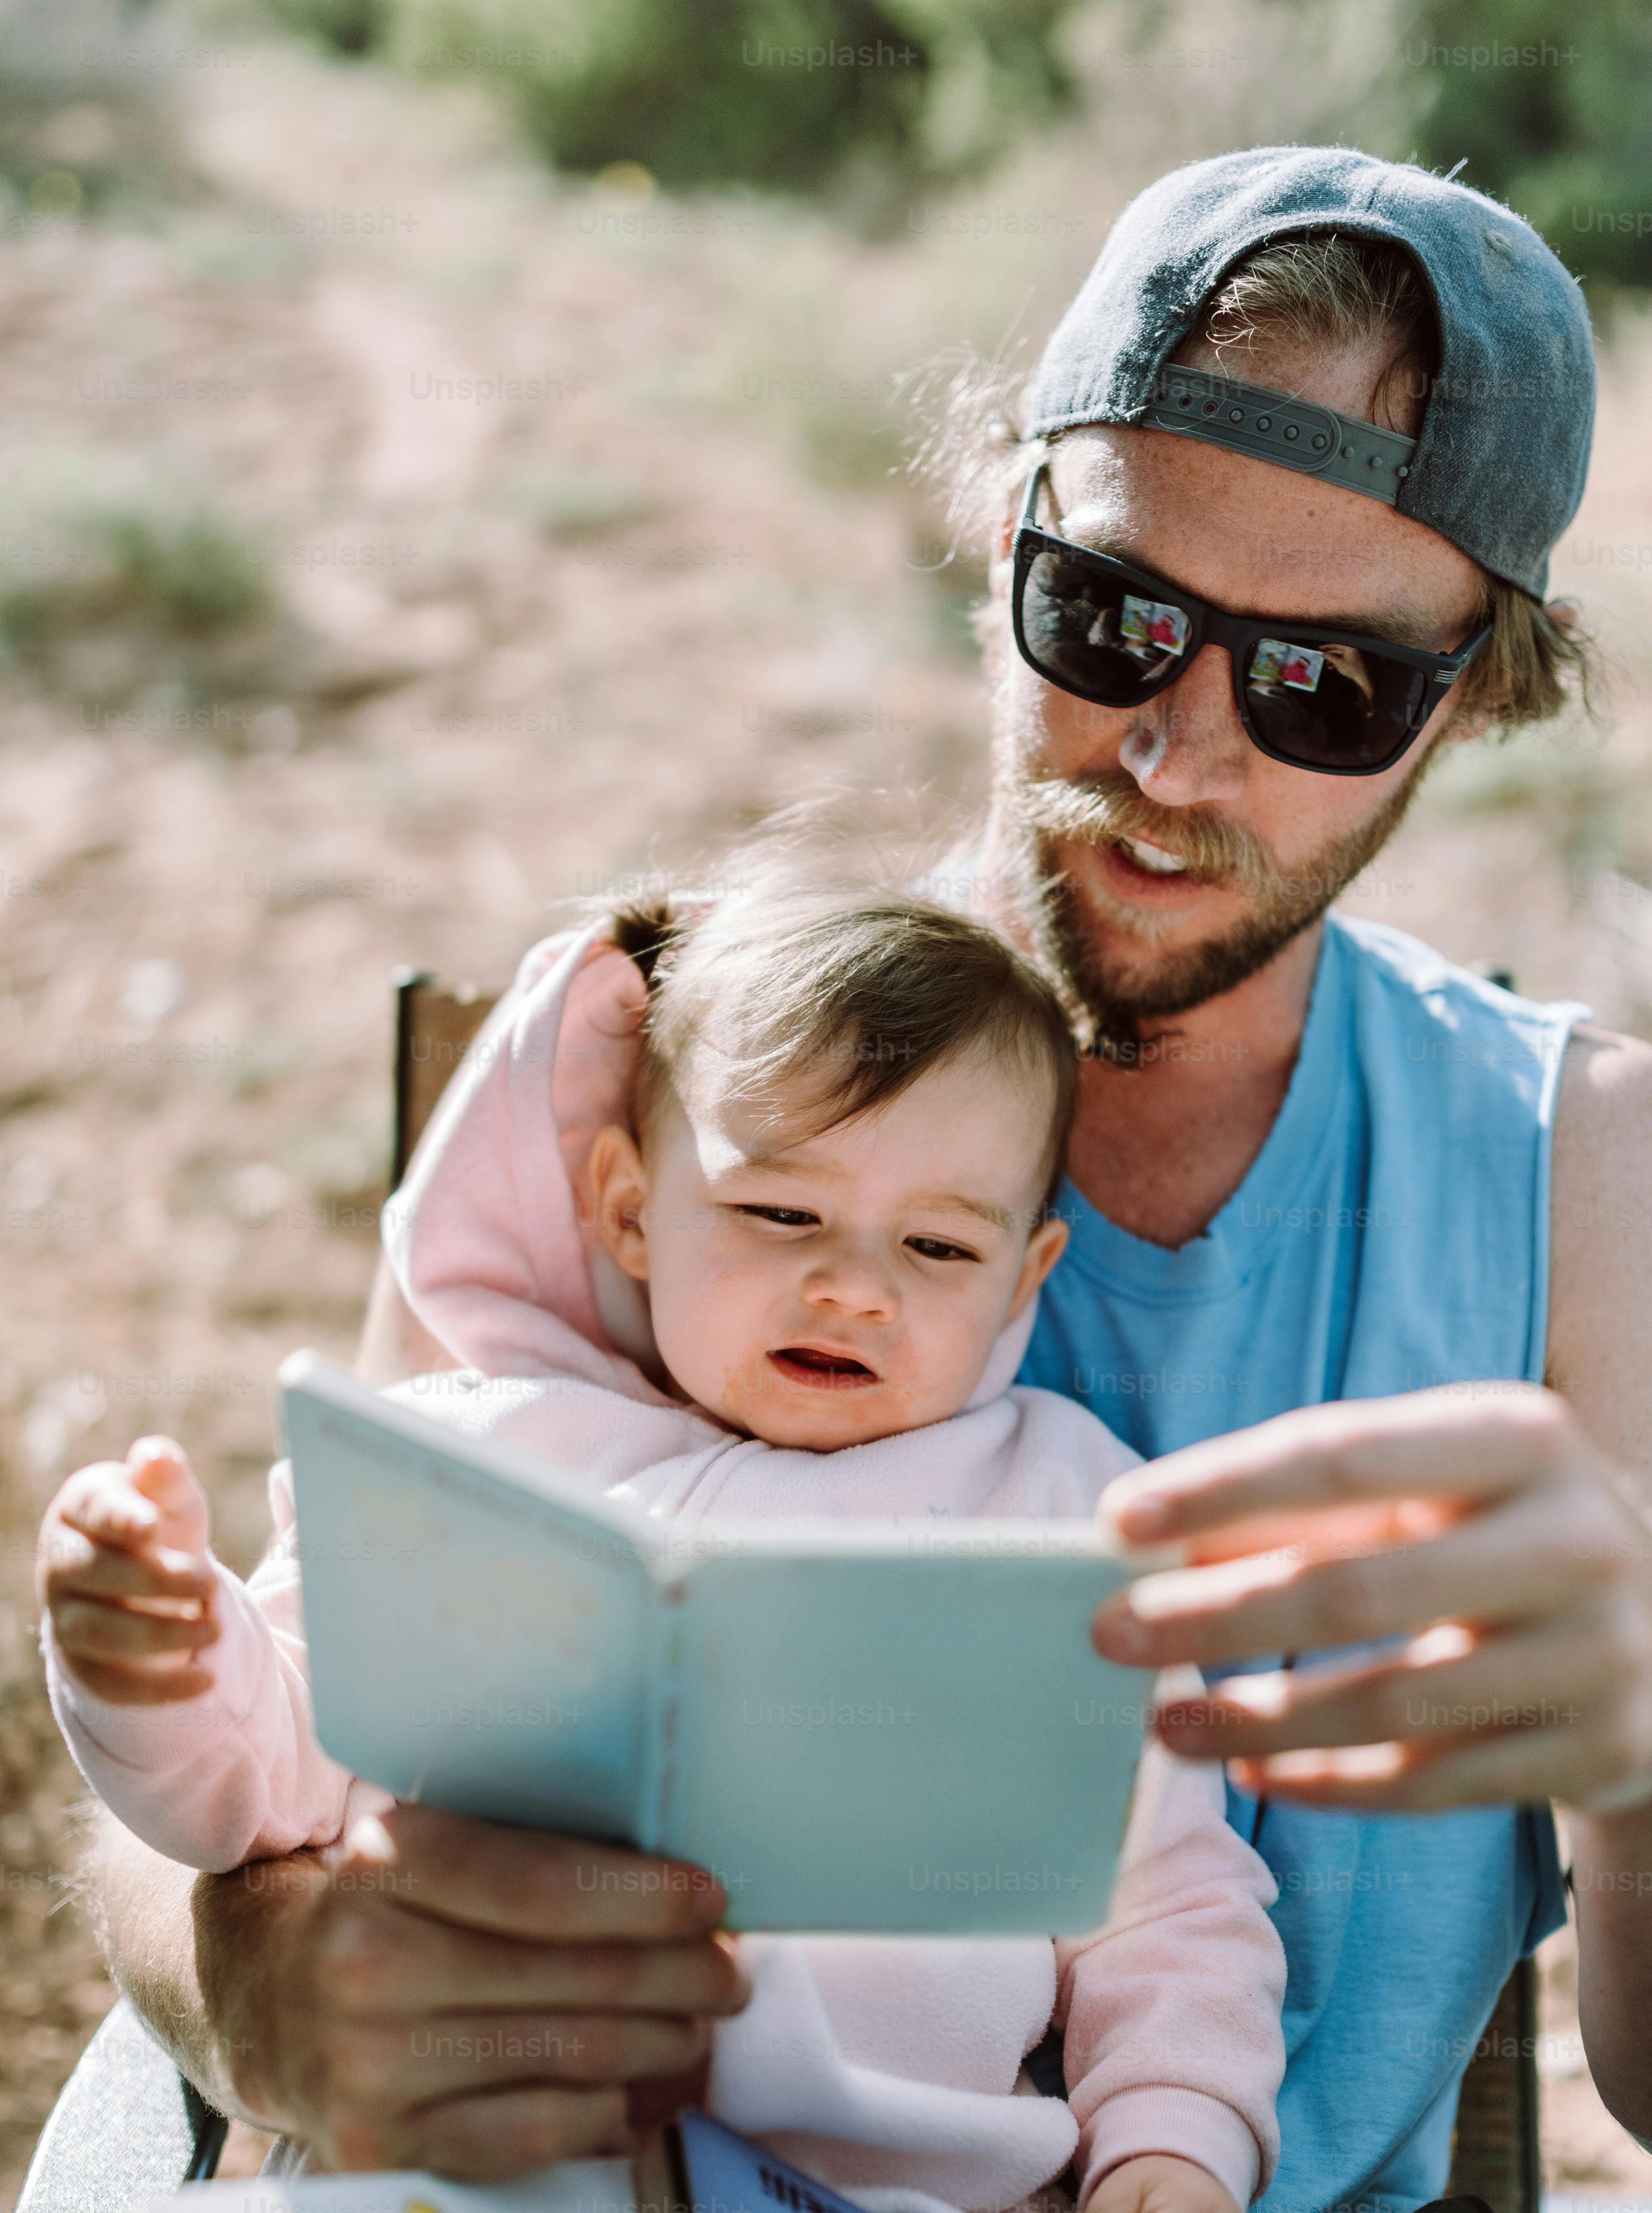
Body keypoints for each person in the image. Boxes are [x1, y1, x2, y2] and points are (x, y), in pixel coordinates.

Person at [57, 145, 1652, 2206]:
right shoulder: (647, 1049)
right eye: (1111, 614)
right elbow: (285, 1724)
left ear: (1477, 696)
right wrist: (244, 1976)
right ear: (1004, 536)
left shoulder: (1580, 1177)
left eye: (1322, 687)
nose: (1175, 753)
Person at [40, 886, 1287, 2213]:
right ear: (631, 1212)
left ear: (1025, 1278)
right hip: (491, 2166)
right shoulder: (488, 1456)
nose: (856, 1285)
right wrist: (159, 1654)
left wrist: (1174, 2140)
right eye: (781, 1214)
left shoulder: (1068, 1512)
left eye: (938, 1243)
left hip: (888, 2189)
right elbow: (259, 1787)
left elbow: (1167, 1900)